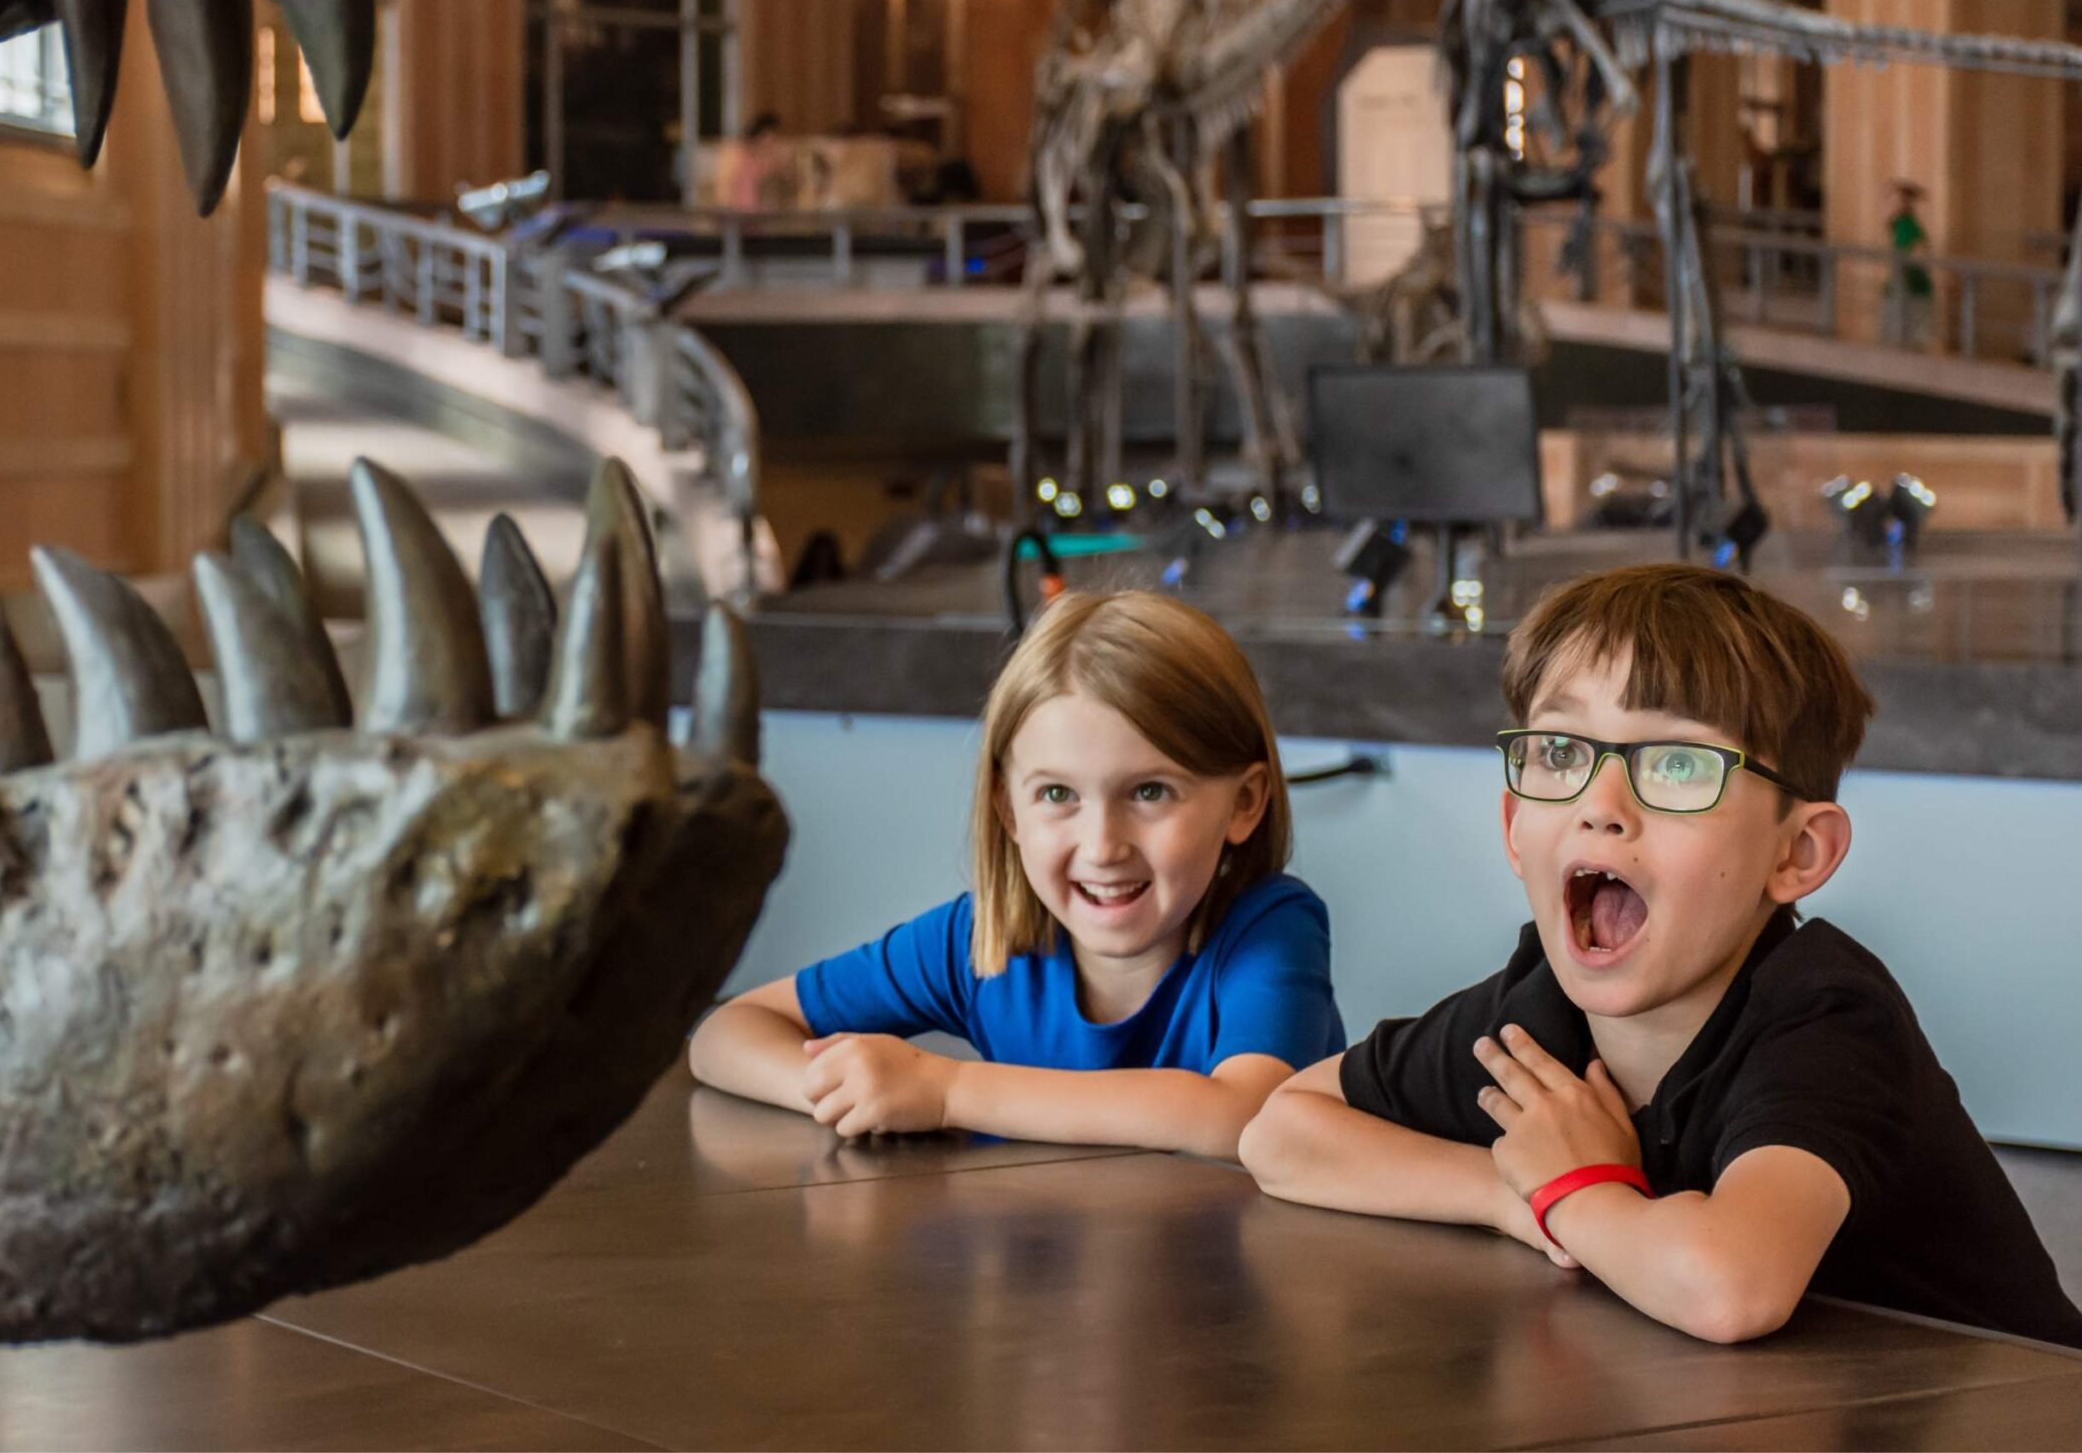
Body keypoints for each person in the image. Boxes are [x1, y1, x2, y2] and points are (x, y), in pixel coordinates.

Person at [1240, 564, 2082, 1349]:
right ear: (1511, 826)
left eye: (1678, 765)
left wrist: (1580, 1189)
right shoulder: (1535, 1016)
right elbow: (1282, 1130)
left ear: (1798, 854)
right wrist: (1516, 1194)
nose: (1600, 806)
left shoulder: (1827, 1019)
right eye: (1562, 753)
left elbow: (1730, 1287)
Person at [689, 589, 1343, 1160]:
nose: (1102, 845)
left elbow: (1241, 1115)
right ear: (1008, 807)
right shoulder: (976, 940)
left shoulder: (1272, 926)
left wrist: (946, 1089)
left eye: (1150, 791)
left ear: (1245, 802)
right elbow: (724, 1033)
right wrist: (852, 1092)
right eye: (1058, 794)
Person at [1885, 178, 1935, 348]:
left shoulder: (1908, 226)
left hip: (1912, 287)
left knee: (1910, 339)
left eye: (1896, 201)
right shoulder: (1901, 225)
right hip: (1906, 286)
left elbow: (1913, 256)